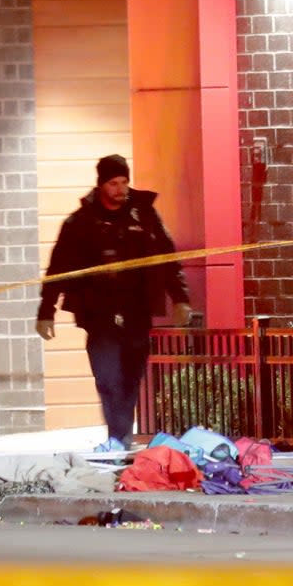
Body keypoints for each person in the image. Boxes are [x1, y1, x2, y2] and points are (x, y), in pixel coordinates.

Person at [36, 154, 193, 450]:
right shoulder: (80, 222)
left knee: (131, 378)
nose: (121, 189)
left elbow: (167, 257)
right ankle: (117, 436)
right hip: (99, 314)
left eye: (124, 182)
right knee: (108, 379)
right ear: (101, 184)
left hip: (137, 312)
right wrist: (46, 311)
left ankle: (120, 436)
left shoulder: (144, 215)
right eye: (113, 183)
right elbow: (58, 267)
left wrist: (181, 299)